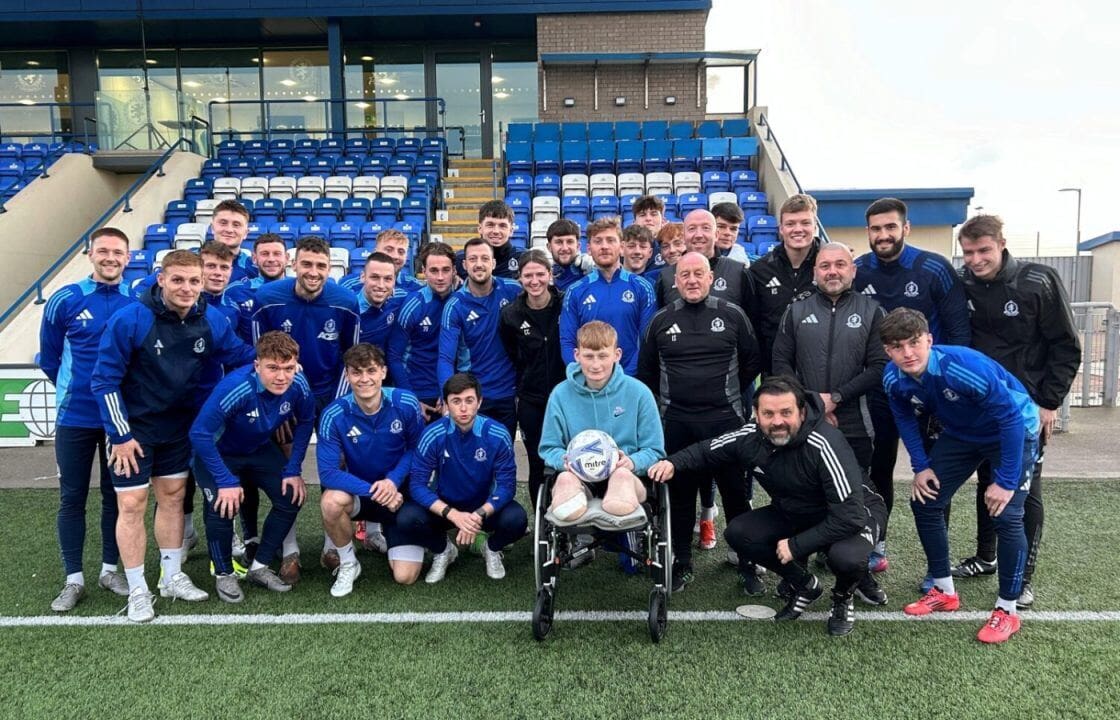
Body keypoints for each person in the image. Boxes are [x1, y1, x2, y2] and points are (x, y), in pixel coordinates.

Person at [649, 376, 887, 636]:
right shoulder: (750, 436)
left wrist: (796, 545)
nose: (777, 421)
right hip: (799, 510)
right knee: (739, 533)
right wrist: (672, 463)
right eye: (768, 413)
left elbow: (849, 516)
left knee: (846, 558)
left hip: (854, 513)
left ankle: (843, 597)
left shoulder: (824, 443)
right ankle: (806, 585)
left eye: (786, 412)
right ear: (756, 414)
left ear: (802, 411)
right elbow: (708, 450)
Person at [90, 250, 255, 622]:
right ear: (160, 279)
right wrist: (119, 434)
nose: (186, 288)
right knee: (131, 505)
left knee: (173, 498)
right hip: (133, 432)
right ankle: (137, 589)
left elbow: (243, 356)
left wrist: (275, 361)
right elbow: (104, 380)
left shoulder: (211, 319)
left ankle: (171, 575)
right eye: (178, 280)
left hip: (178, 427)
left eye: (194, 281)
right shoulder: (130, 319)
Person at [881, 307, 1040, 643]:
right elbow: (905, 418)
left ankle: (1007, 609)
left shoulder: (962, 367)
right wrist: (920, 466)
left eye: (913, 343)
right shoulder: (892, 378)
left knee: (1007, 514)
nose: (907, 353)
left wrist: (1006, 481)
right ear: (887, 351)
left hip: (1012, 430)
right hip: (963, 434)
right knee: (925, 501)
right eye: (897, 346)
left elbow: (1010, 418)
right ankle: (944, 589)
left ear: (929, 340)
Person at [955, 214, 1080, 607]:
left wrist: (1049, 402)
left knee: (1024, 490)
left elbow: (1066, 345)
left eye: (983, 251)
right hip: (979, 408)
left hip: (1025, 410)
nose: (976, 260)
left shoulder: (1037, 281)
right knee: (987, 479)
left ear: (1002, 244)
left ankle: (1024, 576)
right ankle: (986, 556)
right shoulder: (963, 285)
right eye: (969, 253)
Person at [853, 198, 971, 572]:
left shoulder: (933, 268)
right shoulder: (859, 271)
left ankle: (937, 563)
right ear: (868, 232)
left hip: (934, 394)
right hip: (884, 391)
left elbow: (957, 332)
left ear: (906, 228)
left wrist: (951, 388)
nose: (883, 235)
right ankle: (877, 544)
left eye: (890, 227)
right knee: (879, 468)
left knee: (935, 473)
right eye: (876, 229)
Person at [637, 252, 760, 591]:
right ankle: (682, 563)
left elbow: (751, 365)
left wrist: (725, 399)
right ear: (675, 281)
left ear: (711, 279)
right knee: (680, 495)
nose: (692, 280)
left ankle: (747, 563)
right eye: (685, 274)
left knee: (736, 494)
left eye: (698, 274)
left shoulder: (733, 315)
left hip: (726, 422)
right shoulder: (660, 321)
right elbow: (646, 374)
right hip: (677, 423)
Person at [251, 235, 361, 582]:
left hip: (330, 397)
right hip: (284, 401)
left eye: (321, 266)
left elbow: (352, 359)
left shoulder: (346, 302)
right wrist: (275, 407)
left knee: (335, 467)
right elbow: (258, 360)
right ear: (293, 264)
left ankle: (333, 546)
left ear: (331, 269)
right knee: (288, 470)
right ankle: (290, 552)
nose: (313, 272)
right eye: (307, 264)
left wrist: (338, 408)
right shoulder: (267, 300)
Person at [39, 227, 135, 611]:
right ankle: (73, 578)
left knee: (118, 495)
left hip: (121, 420)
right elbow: (49, 358)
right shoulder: (65, 298)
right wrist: (75, 390)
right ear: (90, 254)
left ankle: (110, 569)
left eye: (118, 252)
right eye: (104, 251)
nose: (111, 258)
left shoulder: (138, 298)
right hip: (75, 415)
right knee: (72, 496)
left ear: (128, 258)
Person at [188, 331, 315, 602]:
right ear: (257, 365)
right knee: (223, 505)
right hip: (218, 452)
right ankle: (224, 574)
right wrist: (225, 480)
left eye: (288, 368)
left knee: (291, 496)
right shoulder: (238, 387)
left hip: (256, 449)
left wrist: (293, 469)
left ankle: (259, 566)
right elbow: (199, 434)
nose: (281, 376)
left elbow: (306, 421)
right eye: (272, 368)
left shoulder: (299, 384)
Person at [317, 344, 427, 596]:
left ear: (383, 372)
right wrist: (376, 490)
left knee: (405, 576)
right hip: (364, 494)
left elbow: (417, 450)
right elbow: (328, 473)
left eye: (371, 371)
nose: (364, 379)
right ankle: (348, 563)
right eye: (356, 372)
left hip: (400, 496)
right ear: (347, 375)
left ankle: (400, 534)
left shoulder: (406, 402)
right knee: (331, 502)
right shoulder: (333, 415)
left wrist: (392, 482)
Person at [396, 372, 527, 583]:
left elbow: (507, 486)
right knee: (406, 518)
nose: (463, 408)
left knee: (517, 520)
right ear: (446, 404)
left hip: (484, 507)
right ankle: (443, 550)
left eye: (469, 400)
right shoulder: (433, 434)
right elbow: (418, 485)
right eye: (456, 401)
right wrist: (453, 515)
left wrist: (478, 514)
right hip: (445, 505)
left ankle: (491, 548)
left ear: (479, 402)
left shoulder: (497, 433)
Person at [772, 242, 888, 471]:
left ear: (852, 271)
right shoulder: (795, 311)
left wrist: (835, 399)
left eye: (840, 264)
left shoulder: (872, 311)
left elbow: (880, 366)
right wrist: (813, 404)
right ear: (815, 273)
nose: (832, 271)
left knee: (854, 495)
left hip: (857, 424)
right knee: (806, 496)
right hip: (804, 418)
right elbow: (780, 363)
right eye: (824, 265)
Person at [539, 321, 665, 527]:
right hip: (579, 478)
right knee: (564, 481)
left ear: (617, 355)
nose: (596, 364)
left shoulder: (640, 393)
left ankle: (620, 515)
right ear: (577, 355)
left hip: (627, 476)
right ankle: (580, 524)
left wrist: (631, 462)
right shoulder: (560, 394)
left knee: (621, 477)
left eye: (603, 356)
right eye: (588, 356)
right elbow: (549, 447)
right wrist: (566, 462)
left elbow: (654, 450)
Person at [499, 249, 566, 508]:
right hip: (532, 399)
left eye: (540, 274)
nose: (534, 280)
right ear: (520, 278)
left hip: (567, 396)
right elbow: (512, 353)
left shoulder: (565, 304)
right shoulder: (511, 315)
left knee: (568, 458)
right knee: (538, 460)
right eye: (528, 275)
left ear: (550, 275)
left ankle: (569, 516)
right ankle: (542, 520)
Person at [437, 236, 522, 438]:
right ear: (465, 265)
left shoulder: (513, 290)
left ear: (493, 263)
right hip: (473, 395)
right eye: (473, 259)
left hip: (508, 393)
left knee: (503, 457)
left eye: (484, 258)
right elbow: (445, 358)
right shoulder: (455, 306)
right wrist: (448, 397)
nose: (479, 264)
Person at [559, 216, 656, 376]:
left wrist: (624, 378)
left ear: (622, 247)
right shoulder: (575, 291)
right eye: (598, 241)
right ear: (589, 248)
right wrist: (586, 376)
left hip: (630, 381)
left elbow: (647, 341)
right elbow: (568, 342)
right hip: (590, 382)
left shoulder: (642, 288)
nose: (604, 246)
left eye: (610, 240)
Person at [748, 194, 822, 375]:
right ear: (781, 229)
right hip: (775, 372)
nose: (798, 229)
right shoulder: (760, 270)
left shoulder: (830, 266)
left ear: (815, 226)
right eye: (790, 224)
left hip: (821, 370)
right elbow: (754, 324)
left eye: (805, 223)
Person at [389, 241, 457, 423]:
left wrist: (450, 394)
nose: (440, 277)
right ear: (424, 271)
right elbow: (394, 356)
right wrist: (411, 400)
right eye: (434, 271)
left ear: (454, 271)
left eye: (446, 270)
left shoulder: (462, 301)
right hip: (419, 392)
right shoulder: (413, 305)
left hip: (453, 391)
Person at [654, 209, 753, 312]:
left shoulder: (738, 272)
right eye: (692, 229)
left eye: (706, 228)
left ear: (716, 235)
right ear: (684, 236)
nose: (698, 235)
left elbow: (752, 321)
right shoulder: (666, 276)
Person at [225, 232, 290, 343]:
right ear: (254, 258)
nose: (271, 259)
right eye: (265, 254)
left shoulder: (299, 289)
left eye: (277, 254)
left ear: (287, 258)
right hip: (250, 359)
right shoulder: (236, 291)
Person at [342, 228, 423, 294]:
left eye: (401, 252)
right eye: (389, 250)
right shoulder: (349, 285)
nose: (395, 256)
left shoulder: (415, 287)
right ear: (375, 252)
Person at [455, 200, 520, 279]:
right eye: (490, 225)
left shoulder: (523, 258)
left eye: (502, 226)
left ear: (511, 231)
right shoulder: (460, 259)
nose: (496, 231)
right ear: (480, 228)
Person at [357, 251, 407, 352]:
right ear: (363, 277)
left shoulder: (400, 301)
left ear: (394, 281)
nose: (381, 285)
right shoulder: (349, 311)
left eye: (388, 279)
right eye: (375, 277)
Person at [546, 218, 593, 292]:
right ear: (549, 247)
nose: (565, 248)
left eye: (570, 242)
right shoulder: (542, 277)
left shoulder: (591, 272)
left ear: (578, 246)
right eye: (559, 242)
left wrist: (598, 269)